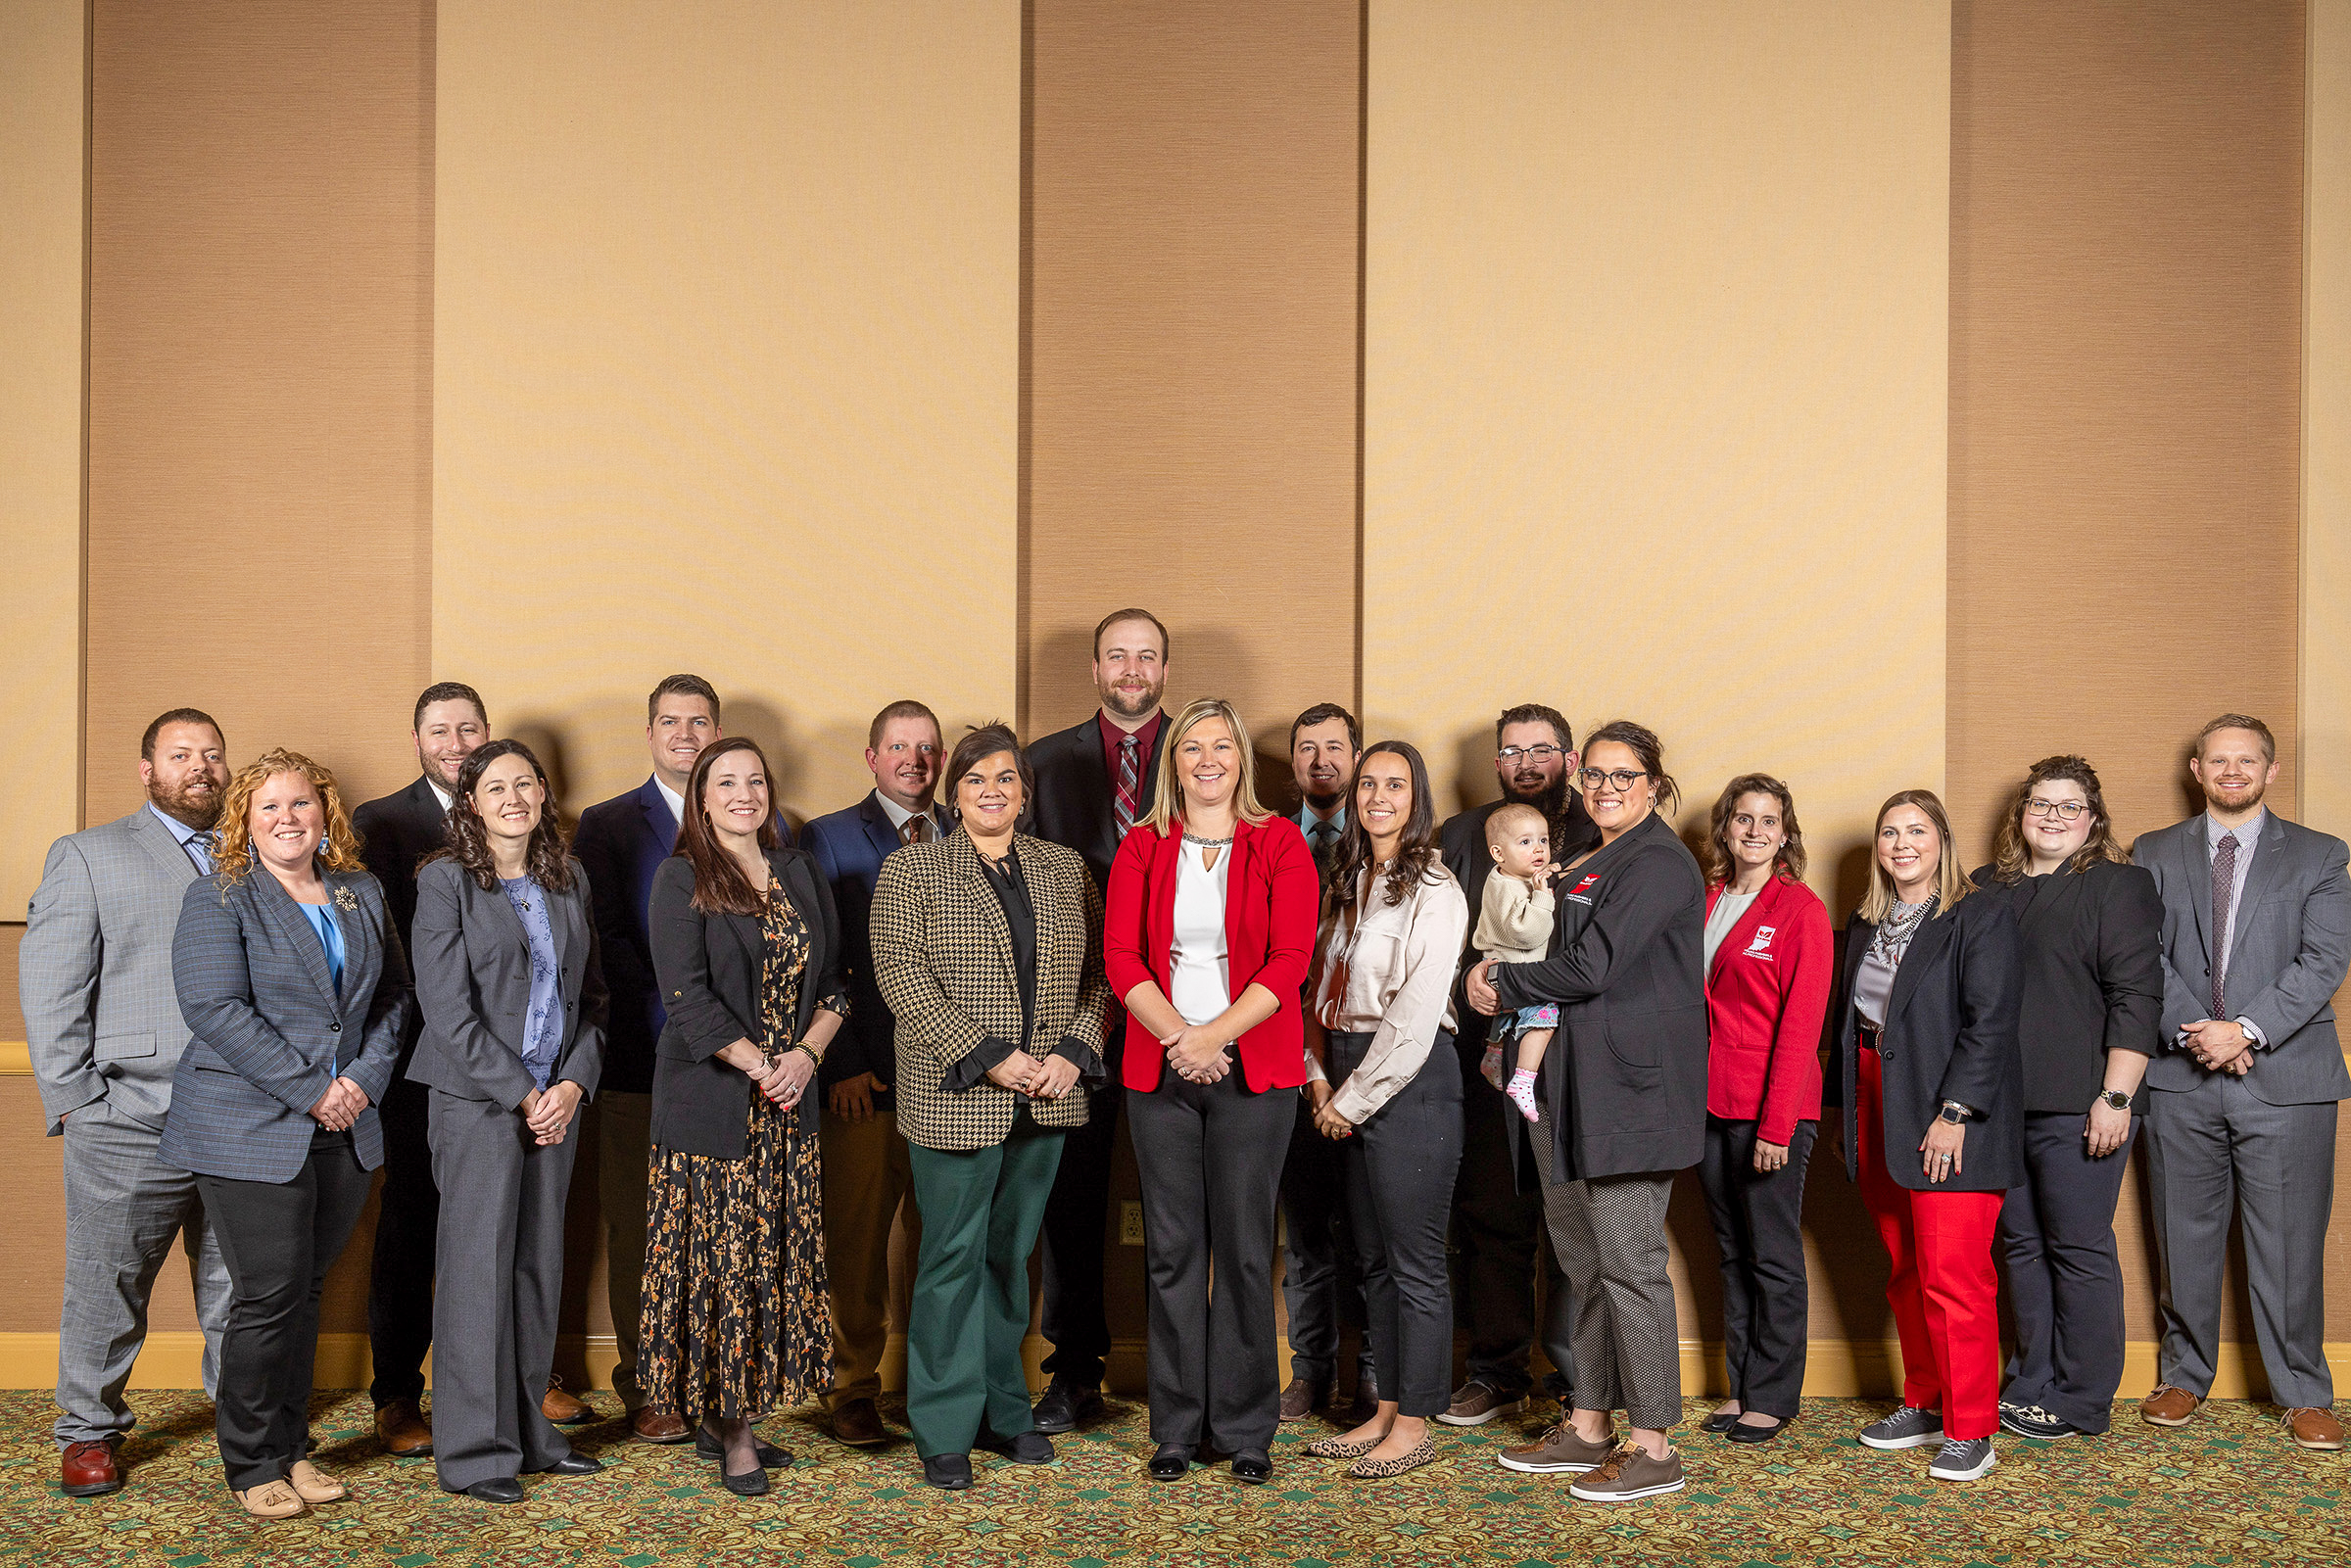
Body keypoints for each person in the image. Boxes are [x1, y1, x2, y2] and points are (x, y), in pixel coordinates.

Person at [159, 749, 410, 1519]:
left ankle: (292, 1446)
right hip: (247, 1123)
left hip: (345, 1123)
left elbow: (395, 996)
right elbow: (216, 1010)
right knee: (266, 1297)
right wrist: (315, 1090)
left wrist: (360, 1082)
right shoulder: (220, 896)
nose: (286, 818)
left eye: (299, 803)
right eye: (268, 807)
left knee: (303, 1294)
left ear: (324, 812)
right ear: (244, 820)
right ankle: (251, 1460)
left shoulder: (360, 890)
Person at [873, 724, 1113, 1491]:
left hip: (1047, 1096)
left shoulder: (1065, 867)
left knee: (1011, 1259)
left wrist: (1072, 1053)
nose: (992, 791)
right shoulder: (912, 871)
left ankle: (1002, 1409)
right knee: (949, 1259)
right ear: (955, 792)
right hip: (957, 1096)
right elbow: (902, 980)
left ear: (1025, 791)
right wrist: (994, 1057)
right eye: (976, 779)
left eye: (1006, 779)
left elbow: (1103, 975)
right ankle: (942, 1420)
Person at [1470, 720, 1706, 1503]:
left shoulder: (1660, 863)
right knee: (1584, 1262)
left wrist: (1501, 983)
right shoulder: (1588, 857)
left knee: (1632, 1267)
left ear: (1654, 784)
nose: (1608, 787)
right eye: (1597, 774)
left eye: (1624, 775)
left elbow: (1591, 965)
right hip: (1565, 1094)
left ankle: (1655, 1445)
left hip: (1632, 1099)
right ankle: (1591, 1424)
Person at [23, 709, 235, 1498]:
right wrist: (79, 1100)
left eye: (213, 754)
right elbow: (50, 987)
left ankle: (242, 1421)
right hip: (129, 1115)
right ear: (148, 769)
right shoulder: (89, 855)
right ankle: (87, 1430)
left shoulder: (255, 855)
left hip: (241, 1116)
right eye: (181, 754)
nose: (201, 767)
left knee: (238, 1283)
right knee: (107, 1284)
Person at [1107, 698, 1318, 1485]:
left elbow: (1291, 958)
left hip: (1254, 1075)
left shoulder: (1279, 841)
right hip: (1160, 1072)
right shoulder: (1142, 845)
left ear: (1240, 758)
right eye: (1190, 746)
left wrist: (1214, 1036)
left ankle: (1244, 1427)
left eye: (1220, 745)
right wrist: (1181, 1040)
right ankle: (1177, 1426)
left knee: (1241, 1247)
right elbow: (1122, 958)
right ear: (1173, 761)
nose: (1205, 759)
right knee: (1170, 1252)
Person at [2134, 715, 2350, 1451]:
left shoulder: (2321, 855)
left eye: (2246, 760)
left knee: (2289, 1243)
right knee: (2182, 1234)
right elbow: (2142, 956)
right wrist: (2204, 1033)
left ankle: (2302, 1390)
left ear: (2271, 769)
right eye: (2218, 760)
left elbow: (2323, 962)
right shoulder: (2154, 852)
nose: (2232, 771)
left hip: (2287, 1077)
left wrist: (2247, 1030)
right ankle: (2183, 1375)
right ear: (2196, 768)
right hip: (2180, 1073)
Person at [640, 737, 845, 1497]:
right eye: (724, 781)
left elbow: (835, 981)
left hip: (790, 1109)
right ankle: (732, 1431)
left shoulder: (798, 869)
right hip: (715, 1109)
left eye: (754, 779)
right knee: (723, 1270)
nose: (742, 793)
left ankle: (731, 1412)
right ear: (700, 796)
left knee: (770, 1265)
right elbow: (687, 998)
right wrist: (764, 1065)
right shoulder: (681, 877)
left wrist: (805, 1059)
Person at [406, 738, 609, 1502]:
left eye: (526, 783)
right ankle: (475, 1452)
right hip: (477, 1103)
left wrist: (573, 1086)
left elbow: (594, 1001)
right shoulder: (445, 881)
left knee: (536, 1267)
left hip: (558, 1103)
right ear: (472, 802)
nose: (514, 796)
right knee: (476, 1274)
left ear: (543, 794)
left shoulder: (568, 877)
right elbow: (448, 1011)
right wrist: (525, 1092)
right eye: (496, 786)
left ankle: (532, 1434)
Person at [1824, 788, 2023, 1484]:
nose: (1902, 843)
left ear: (1942, 839)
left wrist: (1955, 1111)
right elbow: (1848, 1027)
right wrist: (1844, 1112)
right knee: (1907, 1268)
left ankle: (1973, 1427)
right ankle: (1928, 1401)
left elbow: (1991, 1023)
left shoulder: (1980, 914)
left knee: (1955, 1276)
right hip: (1878, 1101)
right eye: (1889, 831)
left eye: (1917, 830)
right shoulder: (1866, 921)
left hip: (1949, 1114)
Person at [1969, 755, 2162, 1442]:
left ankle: (2082, 1399)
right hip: (1998, 1104)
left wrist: (2116, 1095)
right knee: (2018, 1245)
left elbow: (2136, 999)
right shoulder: (1989, 886)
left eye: (2068, 805)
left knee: (2078, 1246)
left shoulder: (2119, 886)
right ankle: (2031, 1379)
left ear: (2093, 818)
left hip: (2082, 1101)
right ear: (2020, 815)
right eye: (2040, 804)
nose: (2052, 816)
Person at [350, 682, 515, 1457]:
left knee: (507, 1218)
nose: (455, 742)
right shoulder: (380, 823)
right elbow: (379, 950)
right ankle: (397, 1392)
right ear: (415, 738)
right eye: (439, 730)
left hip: (515, 1055)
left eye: (469, 728)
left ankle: (507, 1377)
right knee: (414, 1220)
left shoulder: (518, 809)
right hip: (416, 1058)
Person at [1299, 740, 1470, 1479]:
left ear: (1416, 797)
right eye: (1368, 782)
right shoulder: (1345, 878)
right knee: (1371, 1261)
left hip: (1409, 1077)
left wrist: (1352, 1099)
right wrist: (1316, 1080)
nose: (1377, 795)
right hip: (1339, 1069)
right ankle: (1386, 1408)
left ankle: (1418, 1421)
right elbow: (1313, 990)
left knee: (1416, 1262)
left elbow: (1417, 1010)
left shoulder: (1436, 885)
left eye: (1394, 785)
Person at [1021, 608, 1168, 1431]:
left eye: (1147, 656)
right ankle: (1072, 1372)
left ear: (1165, 669)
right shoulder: (1041, 764)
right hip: (1071, 1015)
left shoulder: (1202, 754)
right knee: (1069, 1204)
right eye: (1119, 655)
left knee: (1178, 1202)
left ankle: (1183, 1375)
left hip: (1179, 1017)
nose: (1133, 668)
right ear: (1096, 668)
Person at [572, 673, 727, 1445]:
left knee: (717, 1229)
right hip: (642, 1056)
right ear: (650, 733)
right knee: (641, 1227)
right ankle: (649, 1383)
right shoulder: (603, 827)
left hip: (735, 1070)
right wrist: (689, 1019)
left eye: (700, 722)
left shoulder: (753, 817)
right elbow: (606, 943)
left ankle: (717, 1378)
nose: (686, 735)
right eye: (671, 722)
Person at [799, 699, 953, 1448]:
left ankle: (937, 1383)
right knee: (856, 1241)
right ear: (872, 757)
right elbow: (820, 960)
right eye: (898, 746)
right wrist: (846, 1063)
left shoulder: (975, 829)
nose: (914, 760)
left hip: (956, 1081)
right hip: (867, 1078)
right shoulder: (826, 838)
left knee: (943, 1238)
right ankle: (850, 1386)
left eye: (927, 748)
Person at [1434, 704, 1593, 1429]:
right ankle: (1495, 1370)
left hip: (1580, 1063)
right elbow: (1441, 934)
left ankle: (1572, 1376)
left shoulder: (1602, 829)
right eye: (1510, 751)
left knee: (1571, 1228)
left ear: (1568, 755)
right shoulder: (1464, 836)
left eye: (1541, 749)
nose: (1526, 762)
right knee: (1492, 1217)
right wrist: (1468, 973)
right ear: (1496, 764)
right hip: (1489, 1058)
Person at [1694, 775, 1832, 1444]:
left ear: (1785, 833)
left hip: (1772, 1110)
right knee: (1731, 1251)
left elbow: (1802, 1029)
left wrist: (1778, 1125)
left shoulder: (1800, 909)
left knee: (1773, 1253)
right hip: (1710, 1105)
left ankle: (1774, 1395)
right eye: (1742, 818)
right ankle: (1743, 1381)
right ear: (1726, 828)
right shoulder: (1708, 898)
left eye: (1768, 820)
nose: (1754, 830)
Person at [1275, 702, 1378, 1423]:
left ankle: (1372, 1374)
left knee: (1371, 1228)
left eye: (1334, 747)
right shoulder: (1271, 839)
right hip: (1286, 1056)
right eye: (1307, 749)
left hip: (1368, 1060)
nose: (1321, 761)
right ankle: (1309, 1372)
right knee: (1305, 1232)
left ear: (1356, 755)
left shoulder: (1385, 841)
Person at [1475, 803, 1559, 1122]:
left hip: (1502, 969)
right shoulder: (1510, 888)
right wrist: (1543, 895)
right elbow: (1528, 934)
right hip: (1515, 970)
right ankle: (1524, 1079)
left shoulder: (1505, 877)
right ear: (1498, 853)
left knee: (1511, 1017)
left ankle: (1495, 1053)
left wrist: (1539, 879)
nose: (1538, 849)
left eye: (1543, 840)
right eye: (1525, 843)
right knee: (1546, 1016)